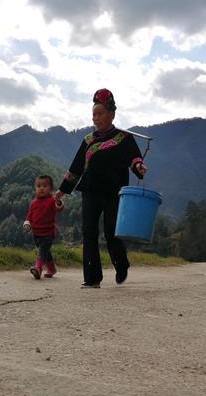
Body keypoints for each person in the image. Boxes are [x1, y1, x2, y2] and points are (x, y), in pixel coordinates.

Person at [54, 89, 147, 288]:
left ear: (112, 114)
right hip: (90, 192)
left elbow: (135, 159)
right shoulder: (88, 141)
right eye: (94, 114)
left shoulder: (124, 138)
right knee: (89, 232)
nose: (95, 118)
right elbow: (76, 168)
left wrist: (139, 166)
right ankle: (92, 277)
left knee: (112, 232)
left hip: (115, 193)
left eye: (100, 114)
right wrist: (62, 190)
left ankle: (121, 264)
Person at [22, 174, 64, 279]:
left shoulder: (51, 200)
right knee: (46, 252)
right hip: (36, 234)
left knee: (42, 251)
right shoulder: (33, 203)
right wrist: (27, 224)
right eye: (38, 186)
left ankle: (38, 268)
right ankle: (52, 269)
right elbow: (29, 215)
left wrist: (58, 201)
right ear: (35, 188)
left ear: (50, 188)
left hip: (48, 233)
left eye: (44, 186)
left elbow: (59, 208)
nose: (41, 188)